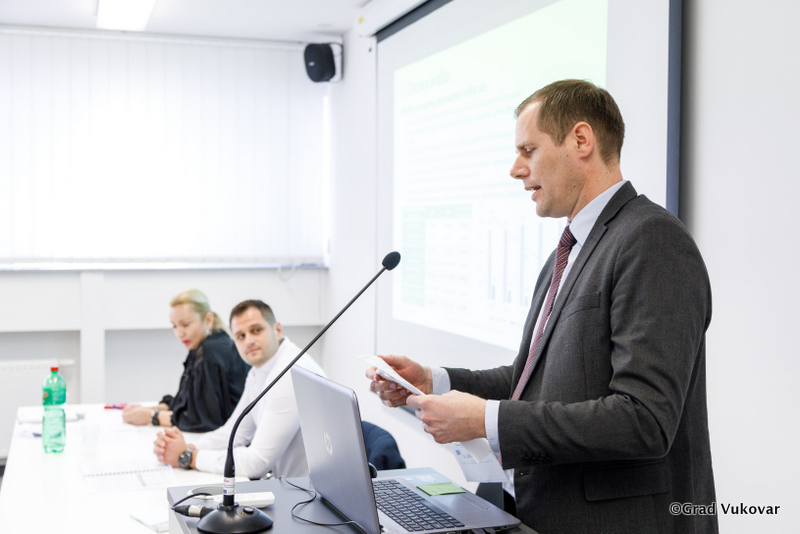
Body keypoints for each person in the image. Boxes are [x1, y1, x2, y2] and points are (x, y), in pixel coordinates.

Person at [368, 79, 717, 534]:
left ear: (581, 140)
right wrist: (435, 380)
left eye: (528, 150)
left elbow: (644, 419)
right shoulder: (567, 252)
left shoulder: (652, 240)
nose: (516, 169)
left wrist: (486, 420)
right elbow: (529, 381)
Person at [153, 299, 326, 479]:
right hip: (288, 485)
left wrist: (188, 457)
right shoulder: (259, 369)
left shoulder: (290, 372)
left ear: (278, 329)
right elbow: (235, 433)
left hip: (308, 491)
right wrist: (188, 447)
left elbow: (256, 463)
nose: (249, 341)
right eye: (240, 336)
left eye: (256, 330)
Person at [122, 289, 249, 432]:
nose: (179, 333)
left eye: (186, 325)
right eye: (174, 326)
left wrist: (152, 416)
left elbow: (203, 420)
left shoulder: (210, 352)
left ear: (208, 320)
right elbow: (187, 401)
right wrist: (150, 409)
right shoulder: (201, 345)